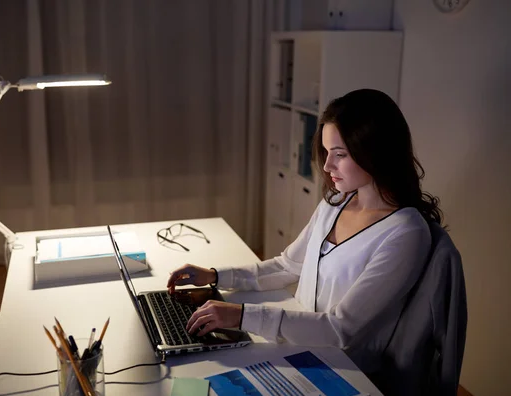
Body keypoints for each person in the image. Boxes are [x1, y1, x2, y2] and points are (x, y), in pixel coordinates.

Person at [166, 88, 443, 375]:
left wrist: (242, 316)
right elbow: (288, 265)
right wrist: (216, 276)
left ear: (375, 152)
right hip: (299, 343)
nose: (327, 165)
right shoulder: (336, 202)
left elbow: (341, 328)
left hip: (346, 369)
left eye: (340, 154)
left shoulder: (405, 234)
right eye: (326, 152)